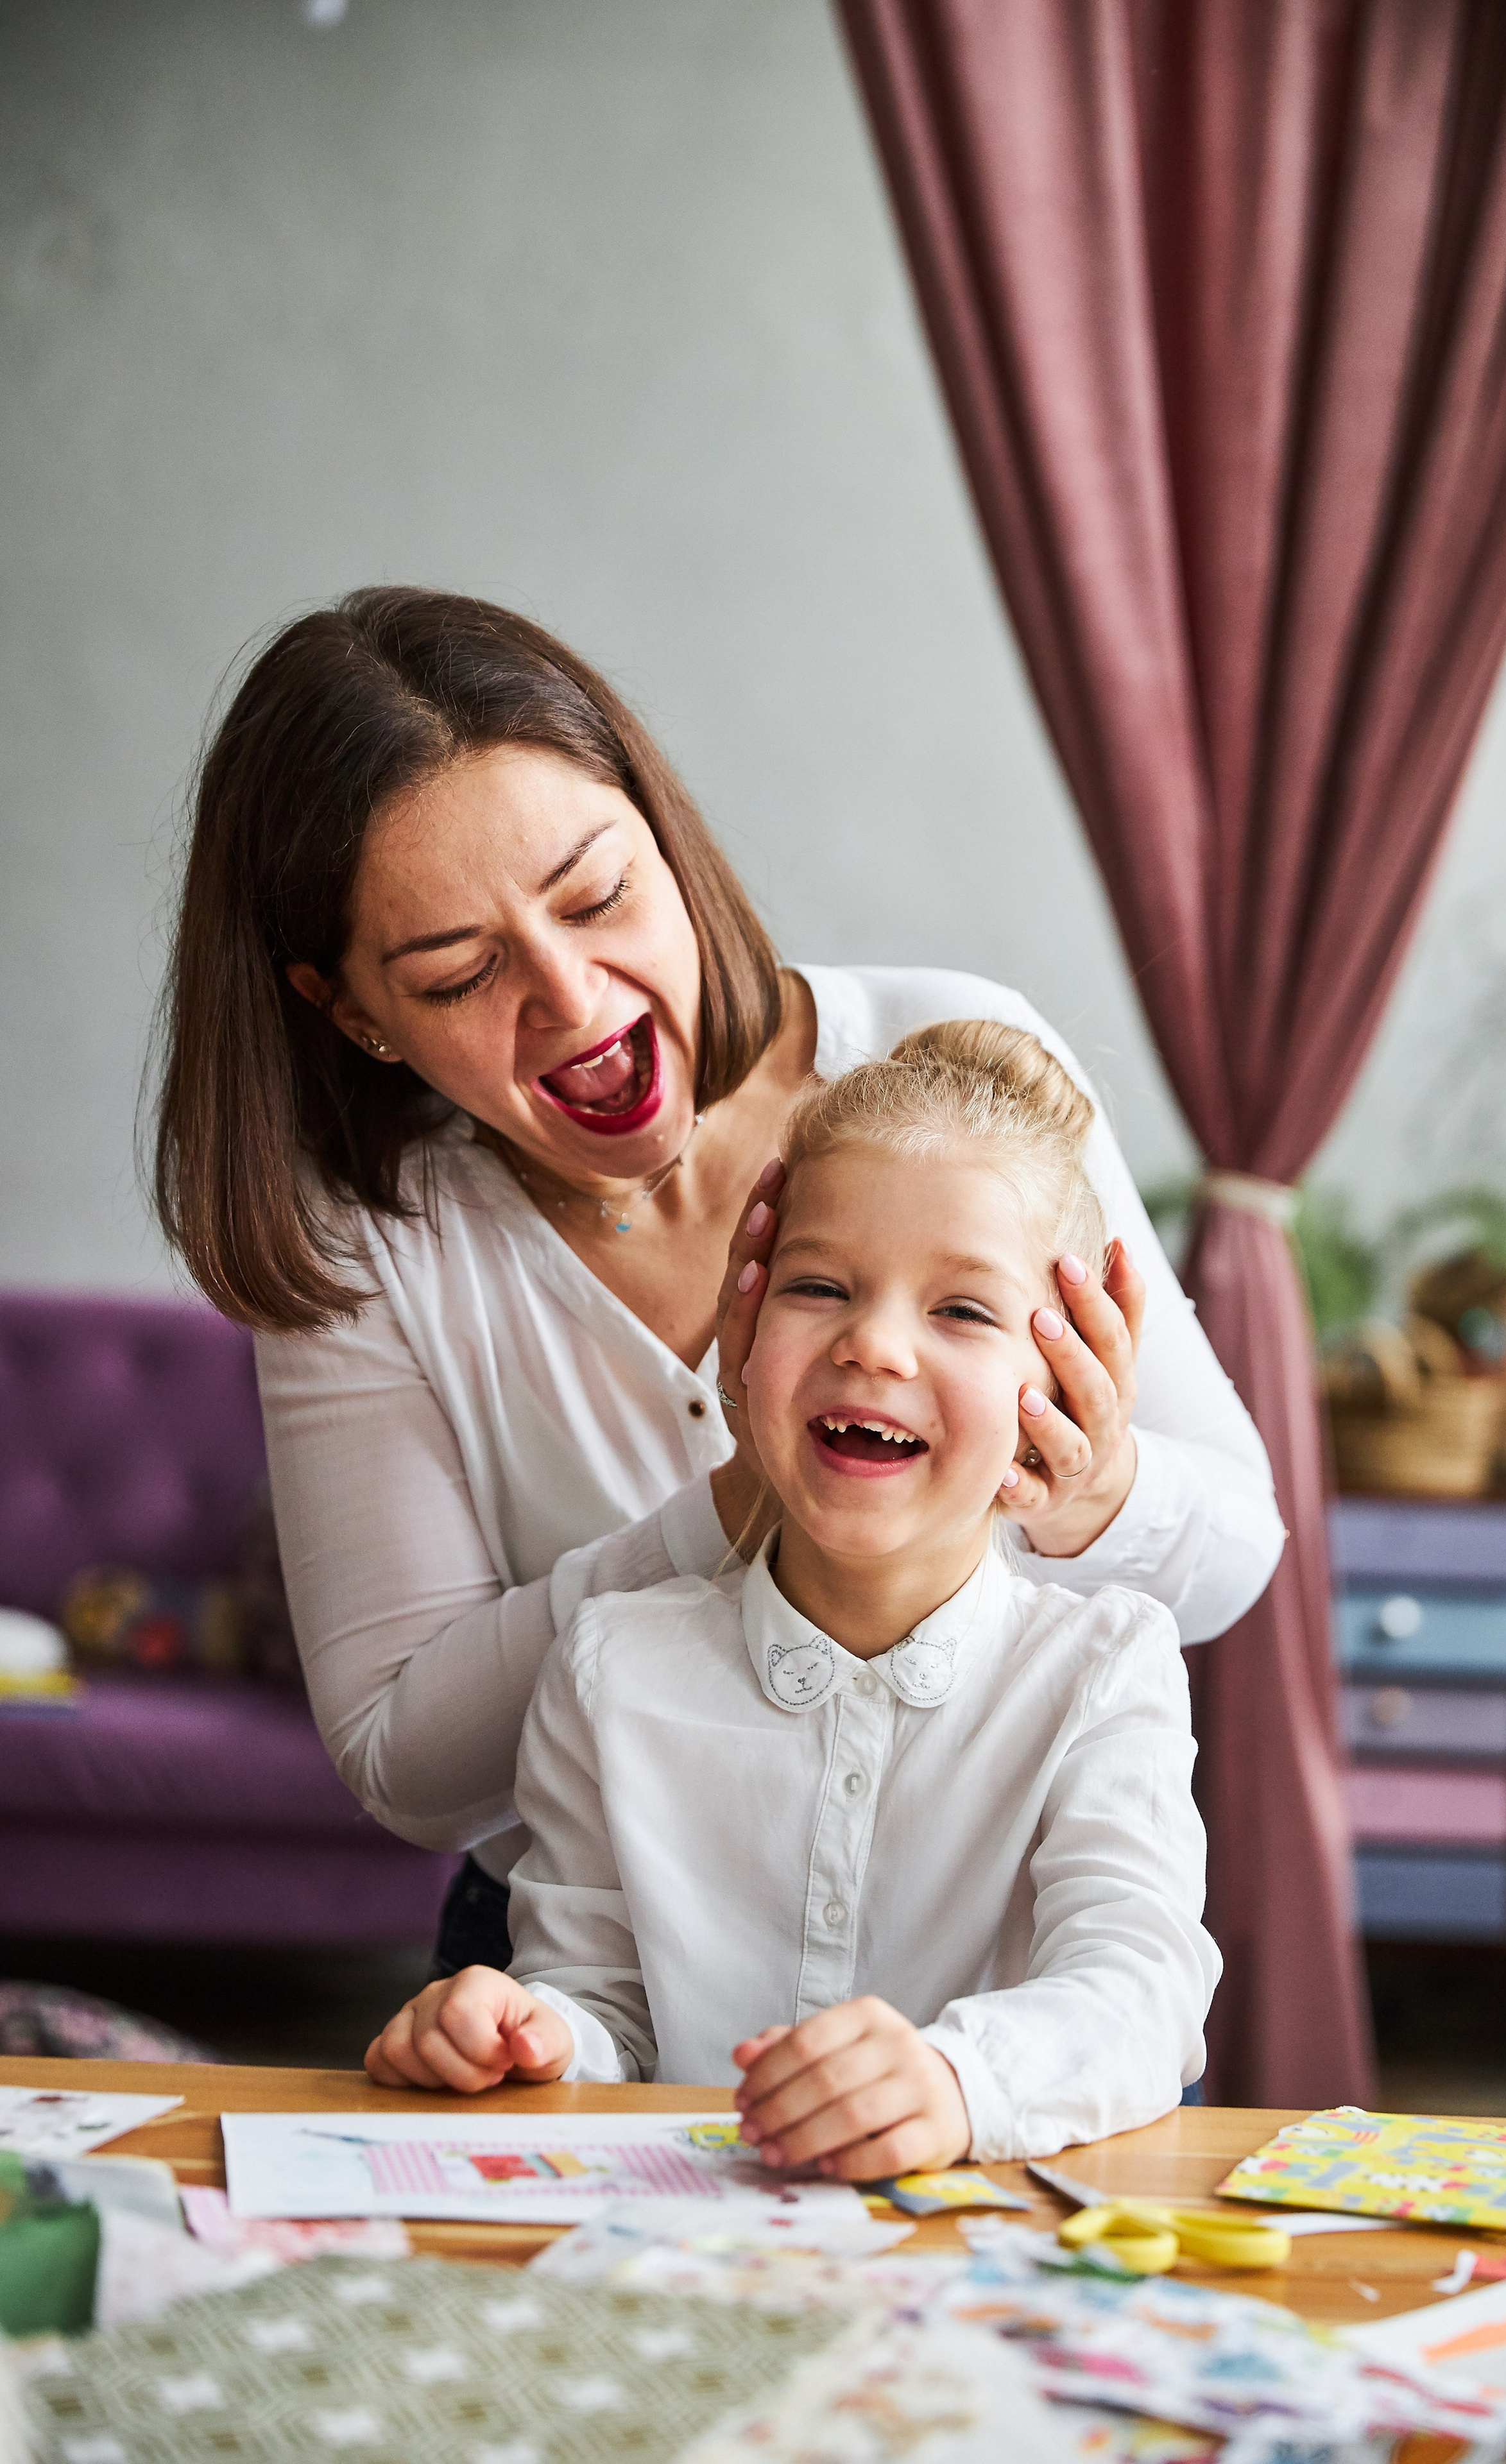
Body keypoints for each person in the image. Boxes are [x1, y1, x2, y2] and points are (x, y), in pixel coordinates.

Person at [151, 586, 1283, 1978]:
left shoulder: (947, 1061)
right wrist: (749, 1493)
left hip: (1002, 1958)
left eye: (598, 896)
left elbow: (1232, 1551)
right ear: (350, 1012)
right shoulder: (369, 1241)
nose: (570, 998)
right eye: (456, 972)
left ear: (660, 831)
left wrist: (1090, 1489)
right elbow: (406, 1761)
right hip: (597, 1966)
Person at [364, 1025, 1219, 2168]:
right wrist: (532, 2033)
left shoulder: (1107, 1670)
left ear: (1060, 1379)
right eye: (821, 1287)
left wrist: (961, 2082)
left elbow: (1141, 1988)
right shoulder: (610, 1666)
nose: (874, 1344)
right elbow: (600, 2003)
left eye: (961, 1311)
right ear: (746, 1330)